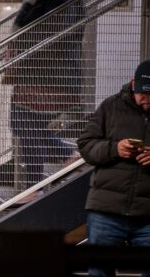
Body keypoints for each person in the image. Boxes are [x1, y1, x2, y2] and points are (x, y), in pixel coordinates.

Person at [5, 0, 87, 190]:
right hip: (43, 73)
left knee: (24, 122)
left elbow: (55, 33)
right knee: (25, 123)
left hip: (52, 74)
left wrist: (21, 49)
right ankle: (61, 159)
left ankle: (36, 183)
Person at [77, 60, 150, 277]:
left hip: (148, 215)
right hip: (106, 212)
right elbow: (86, 145)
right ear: (133, 84)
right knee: (100, 271)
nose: (148, 101)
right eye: (143, 95)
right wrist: (115, 149)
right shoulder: (111, 107)